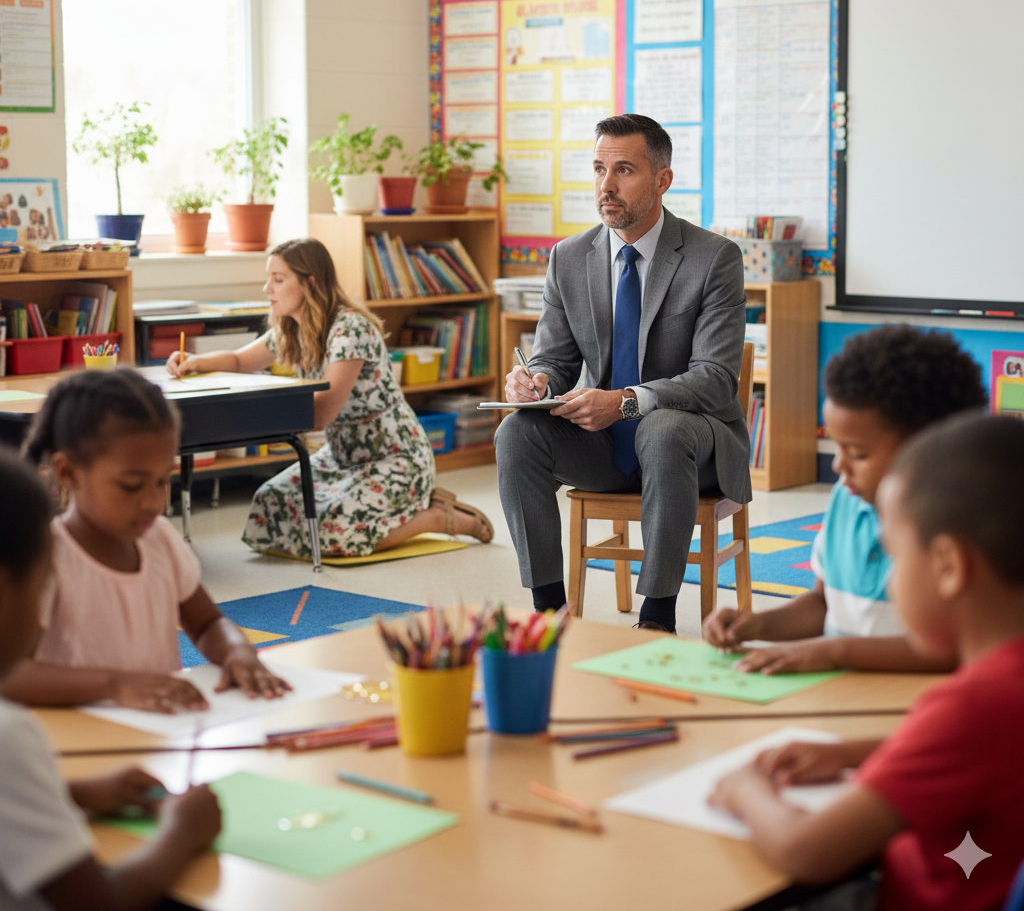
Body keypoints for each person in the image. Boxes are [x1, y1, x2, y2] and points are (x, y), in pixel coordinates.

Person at [709, 413, 1024, 911]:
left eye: (896, 555)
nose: (892, 579)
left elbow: (805, 850)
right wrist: (857, 752)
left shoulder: (971, 706)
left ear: (948, 566)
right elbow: (989, 754)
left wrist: (743, 790)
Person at [495, 113, 750, 632]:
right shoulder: (568, 257)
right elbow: (555, 359)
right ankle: (551, 612)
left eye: (624, 170)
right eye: (597, 169)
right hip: (603, 444)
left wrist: (628, 400)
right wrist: (535, 380)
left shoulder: (713, 258)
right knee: (516, 433)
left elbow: (715, 377)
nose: (605, 186)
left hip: (693, 444)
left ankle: (656, 617)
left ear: (662, 180)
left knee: (661, 427)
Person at [166, 238, 492, 558]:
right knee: (268, 510)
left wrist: (253, 413)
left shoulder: (350, 328)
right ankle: (398, 513)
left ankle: (436, 516)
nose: (268, 288)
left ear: (310, 284)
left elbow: (322, 414)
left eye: (278, 280)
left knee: (337, 531)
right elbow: (239, 361)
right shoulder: (290, 328)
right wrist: (196, 362)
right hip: (340, 457)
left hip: (394, 458)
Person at [0, 448, 222, 910]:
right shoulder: (9, 738)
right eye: (43, 579)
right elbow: (100, 903)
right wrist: (181, 832)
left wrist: (73, 794)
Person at [1, 368, 290, 712]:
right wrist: (115, 685)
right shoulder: (47, 557)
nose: (153, 502)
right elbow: (10, 674)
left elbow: (209, 623)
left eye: (161, 481)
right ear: (68, 472)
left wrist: (237, 650)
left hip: (158, 728)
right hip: (80, 740)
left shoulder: (159, 539)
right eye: (131, 485)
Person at [703, 325, 986, 674]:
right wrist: (758, 625)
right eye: (836, 446)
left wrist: (834, 651)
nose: (838, 465)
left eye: (857, 453)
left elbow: (960, 651)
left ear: (927, 450)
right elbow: (824, 604)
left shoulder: (964, 528)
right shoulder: (846, 499)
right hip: (836, 694)